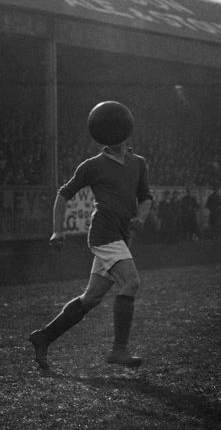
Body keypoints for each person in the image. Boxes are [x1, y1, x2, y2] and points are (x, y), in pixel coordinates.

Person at [28, 114, 153, 371]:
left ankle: (43, 337)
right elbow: (63, 195)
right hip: (104, 235)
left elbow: (146, 197)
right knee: (131, 282)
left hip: (122, 237)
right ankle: (119, 350)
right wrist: (57, 231)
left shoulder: (138, 163)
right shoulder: (92, 165)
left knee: (91, 298)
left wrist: (141, 217)